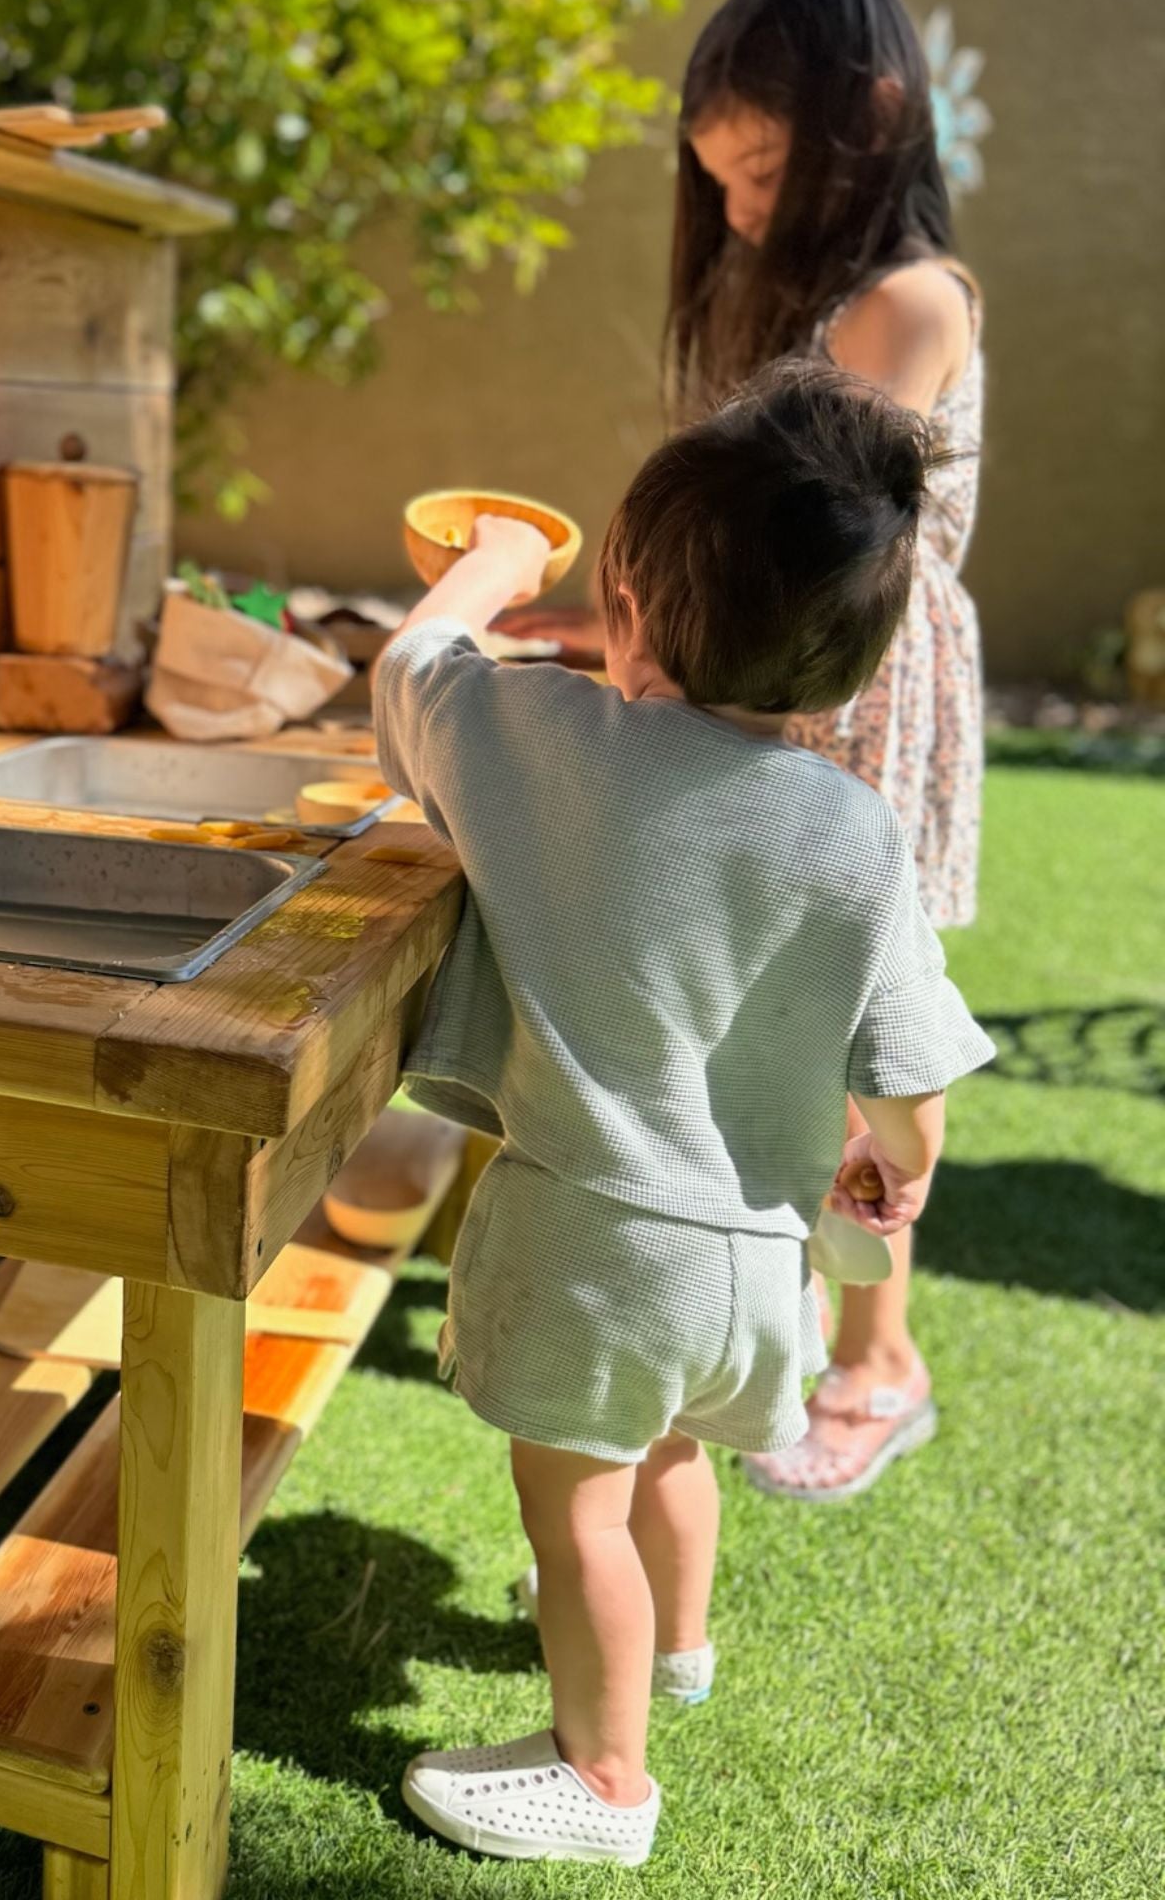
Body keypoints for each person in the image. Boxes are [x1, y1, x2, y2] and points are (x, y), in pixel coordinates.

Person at [374, 364, 993, 1865]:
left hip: (595, 1248)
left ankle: (605, 1779)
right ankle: (683, 1650)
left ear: (626, 607)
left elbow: (409, 673)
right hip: (755, 1268)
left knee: (574, 1509)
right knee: (674, 1459)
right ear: (850, 667)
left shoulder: (538, 742)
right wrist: (884, 1169)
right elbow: (905, 1088)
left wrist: (501, 558)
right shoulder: (850, 826)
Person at [668, 0, 987, 1498]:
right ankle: (800, 1314)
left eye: (764, 170)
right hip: (802, 673)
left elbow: (822, 523)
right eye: (716, 176)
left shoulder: (910, 301)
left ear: (869, 116)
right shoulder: (821, 295)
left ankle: (880, 1360)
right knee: (781, 1023)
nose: (734, 209)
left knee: (873, 1033)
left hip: (861, 684)